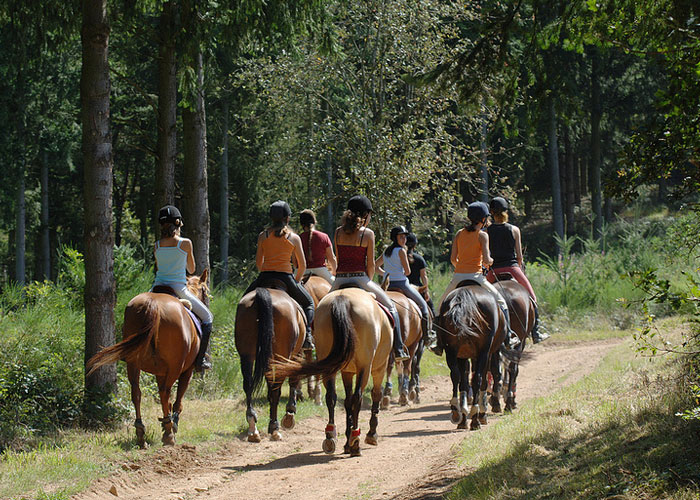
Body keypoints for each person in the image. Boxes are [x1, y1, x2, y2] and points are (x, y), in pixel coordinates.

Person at [329, 195, 410, 361]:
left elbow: (338, 260)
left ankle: (312, 340)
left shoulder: (338, 232)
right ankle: (399, 348)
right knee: (391, 307)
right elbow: (371, 265)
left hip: (339, 280)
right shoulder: (367, 234)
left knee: (318, 310)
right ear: (365, 215)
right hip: (361, 279)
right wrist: (369, 280)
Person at [437, 201, 520, 352]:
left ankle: (437, 341)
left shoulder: (459, 233)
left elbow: (453, 259)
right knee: (502, 303)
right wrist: (489, 262)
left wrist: (461, 268)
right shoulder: (482, 235)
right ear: (482, 219)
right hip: (476, 277)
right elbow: (487, 260)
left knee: (441, 306)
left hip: (458, 277)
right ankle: (508, 336)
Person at [244, 200, 316, 351]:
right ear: (287, 218)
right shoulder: (294, 238)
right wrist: (296, 282)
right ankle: (307, 336)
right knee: (309, 303)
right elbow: (302, 266)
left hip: (264, 276)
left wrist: (267, 270)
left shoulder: (263, 236)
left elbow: (259, 263)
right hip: (285, 278)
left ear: (271, 218)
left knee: (243, 303)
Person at [154, 205, 213, 372]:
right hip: (179, 288)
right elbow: (192, 269)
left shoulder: (157, 245)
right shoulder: (185, 243)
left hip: (157, 287)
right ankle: (200, 360)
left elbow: (159, 267)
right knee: (208, 317)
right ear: (178, 223)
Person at [486, 196, 549, 343]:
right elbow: (519, 257)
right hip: (512, 268)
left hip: (493, 271)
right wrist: (518, 267)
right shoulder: (514, 229)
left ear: (491, 213)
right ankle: (536, 332)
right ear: (506, 212)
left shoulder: (486, 231)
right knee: (532, 298)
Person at [376, 226, 435, 348]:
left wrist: (386, 273)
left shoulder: (387, 250)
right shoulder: (401, 251)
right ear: (395, 238)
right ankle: (427, 336)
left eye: (405, 237)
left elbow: (375, 266)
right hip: (402, 284)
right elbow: (407, 272)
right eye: (401, 237)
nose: (404, 239)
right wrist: (397, 273)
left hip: (388, 286)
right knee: (424, 306)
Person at [299, 209, 337, 284]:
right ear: (314, 221)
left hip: (302, 271)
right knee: (336, 288)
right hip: (321, 271)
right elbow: (331, 258)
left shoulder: (298, 238)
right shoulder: (324, 236)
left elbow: (294, 261)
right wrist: (334, 272)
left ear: (301, 224)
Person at [405, 232, 437, 318]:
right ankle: (432, 328)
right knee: (430, 306)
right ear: (415, 245)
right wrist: (426, 291)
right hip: (416, 288)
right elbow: (424, 276)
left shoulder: (399, 257)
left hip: (402, 285)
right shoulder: (419, 258)